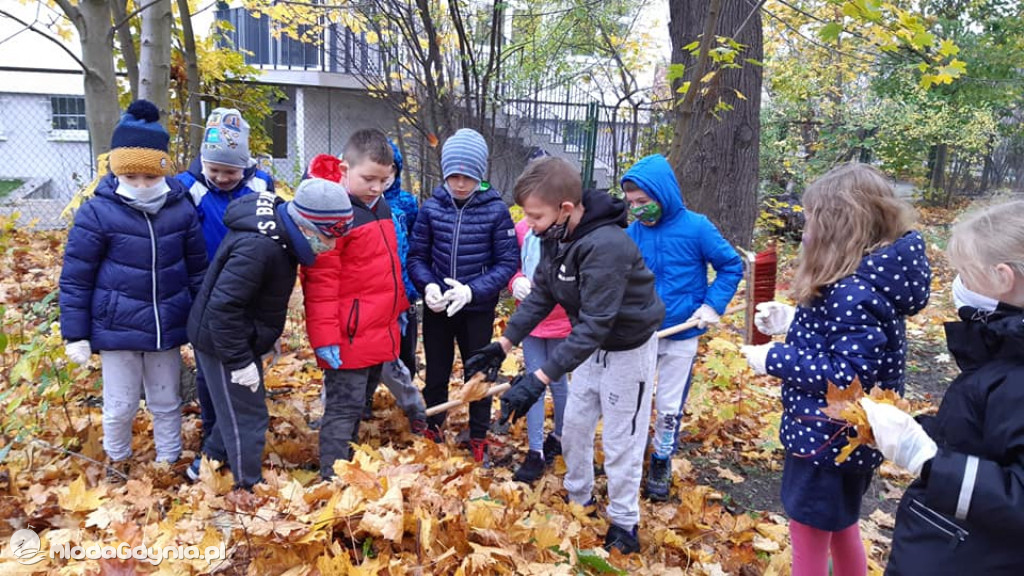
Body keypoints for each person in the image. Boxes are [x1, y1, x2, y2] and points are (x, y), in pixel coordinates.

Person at [465, 156, 666, 554]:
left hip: (628, 350)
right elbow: (542, 295)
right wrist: (503, 345)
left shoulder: (607, 246)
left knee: (621, 439)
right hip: (590, 347)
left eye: (535, 216)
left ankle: (625, 523)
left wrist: (538, 380)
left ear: (567, 209)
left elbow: (596, 325)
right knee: (574, 425)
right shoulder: (555, 237)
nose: (531, 225)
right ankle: (580, 499)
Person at [740, 163, 931, 576]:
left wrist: (774, 359)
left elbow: (847, 376)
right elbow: (848, 338)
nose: (804, 231)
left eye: (811, 221)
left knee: (808, 533)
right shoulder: (865, 280)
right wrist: (791, 320)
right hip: (843, 438)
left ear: (837, 228)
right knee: (842, 527)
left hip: (824, 439)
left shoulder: (852, 289)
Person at [859, 201, 1024, 575]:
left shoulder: (1016, 374)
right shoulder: (1004, 349)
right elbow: (986, 438)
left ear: (1002, 277)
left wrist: (928, 459)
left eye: (966, 273)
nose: (958, 283)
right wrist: (920, 430)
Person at [59, 99, 208, 482]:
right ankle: (117, 461)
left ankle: (169, 459)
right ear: (118, 173)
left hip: (166, 327)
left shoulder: (181, 209)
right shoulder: (97, 212)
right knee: (120, 404)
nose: (142, 186)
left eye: (150, 178)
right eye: (132, 178)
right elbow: (77, 276)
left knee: (166, 400)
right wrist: (75, 333)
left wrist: (202, 319)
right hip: (117, 329)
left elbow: (197, 270)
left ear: (164, 171)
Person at [186, 178, 353, 489]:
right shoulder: (260, 247)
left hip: (238, 337)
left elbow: (259, 298)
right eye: (326, 237)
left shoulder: (282, 235)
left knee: (236, 407)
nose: (330, 246)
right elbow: (224, 308)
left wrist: (266, 337)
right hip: (221, 342)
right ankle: (248, 488)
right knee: (248, 417)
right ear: (305, 225)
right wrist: (238, 362)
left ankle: (205, 465)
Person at [622, 154, 743, 501]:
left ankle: (661, 457)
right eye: (631, 203)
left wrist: (710, 306)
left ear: (663, 195)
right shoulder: (631, 234)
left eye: (643, 202)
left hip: (683, 331)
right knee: (635, 399)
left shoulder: (697, 227)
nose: (637, 209)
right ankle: (632, 453)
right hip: (640, 333)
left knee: (669, 404)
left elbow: (730, 266)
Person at [301, 130, 411, 480]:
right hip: (347, 334)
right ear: (345, 168)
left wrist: (397, 312)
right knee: (342, 409)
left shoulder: (379, 206)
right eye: (368, 178)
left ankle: (348, 470)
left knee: (360, 405)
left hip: (377, 330)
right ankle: (330, 480)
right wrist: (325, 339)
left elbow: (386, 268)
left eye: (384, 179)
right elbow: (320, 282)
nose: (377, 187)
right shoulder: (333, 213)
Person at [407, 128, 519, 462]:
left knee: (481, 372)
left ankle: (479, 435)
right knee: (437, 371)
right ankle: (434, 425)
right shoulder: (431, 208)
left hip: (477, 308)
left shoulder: (495, 210)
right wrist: (428, 285)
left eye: (467, 177)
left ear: (479, 176)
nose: (459, 184)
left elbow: (507, 262)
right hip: (439, 308)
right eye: (453, 176)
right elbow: (417, 256)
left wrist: (472, 291)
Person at [175, 107, 275, 443]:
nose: (221, 177)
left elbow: (271, 227)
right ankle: (213, 426)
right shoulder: (189, 188)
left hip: (251, 283)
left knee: (246, 353)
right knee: (208, 364)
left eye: (230, 171)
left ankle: (244, 419)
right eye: (214, 169)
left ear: (244, 164)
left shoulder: (261, 184)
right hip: (206, 283)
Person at [507, 216, 572, 483]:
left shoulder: (571, 231)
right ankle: (535, 451)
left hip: (562, 318)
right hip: (531, 319)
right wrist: (516, 281)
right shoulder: (523, 228)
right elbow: (513, 265)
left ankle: (560, 436)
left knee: (558, 382)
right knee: (533, 381)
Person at [364, 141, 421, 419]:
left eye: (388, 176)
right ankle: (362, 403)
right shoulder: (358, 203)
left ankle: (407, 409)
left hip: (404, 293)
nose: (382, 183)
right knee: (370, 354)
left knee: (404, 353)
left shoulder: (407, 204)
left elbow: (415, 243)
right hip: (372, 296)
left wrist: (412, 286)